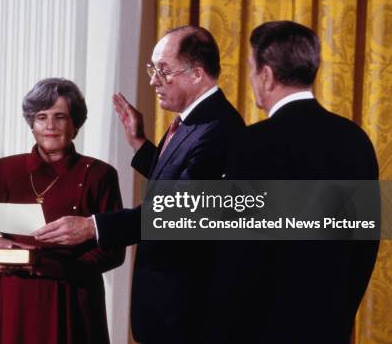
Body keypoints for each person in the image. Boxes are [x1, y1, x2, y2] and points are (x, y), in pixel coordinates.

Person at [35, 26, 245, 343]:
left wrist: (93, 227)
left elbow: (177, 213)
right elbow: (178, 182)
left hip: (188, 311)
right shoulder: (193, 122)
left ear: (197, 73)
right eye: (152, 69)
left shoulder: (218, 128)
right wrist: (140, 144)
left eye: (163, 70)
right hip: (167, 306)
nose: (153, 81)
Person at [215, 20, 379, 344]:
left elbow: (237, 259)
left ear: (266, 74)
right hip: (330, 328)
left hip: (260, 331)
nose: (251, 78)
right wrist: (340, 313)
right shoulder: (356, 141)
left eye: (251, 68)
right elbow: (365, 245)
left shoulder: (252, 144)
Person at [0, 78, 125, 344]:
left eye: (60, 117)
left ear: (75, 123)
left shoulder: (100, 174)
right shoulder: (4, 170)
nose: (50, 126)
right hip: (14, 299)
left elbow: (114, 251)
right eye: (41, 117)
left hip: (71, 297)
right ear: (31, 123)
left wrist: (62, 269)